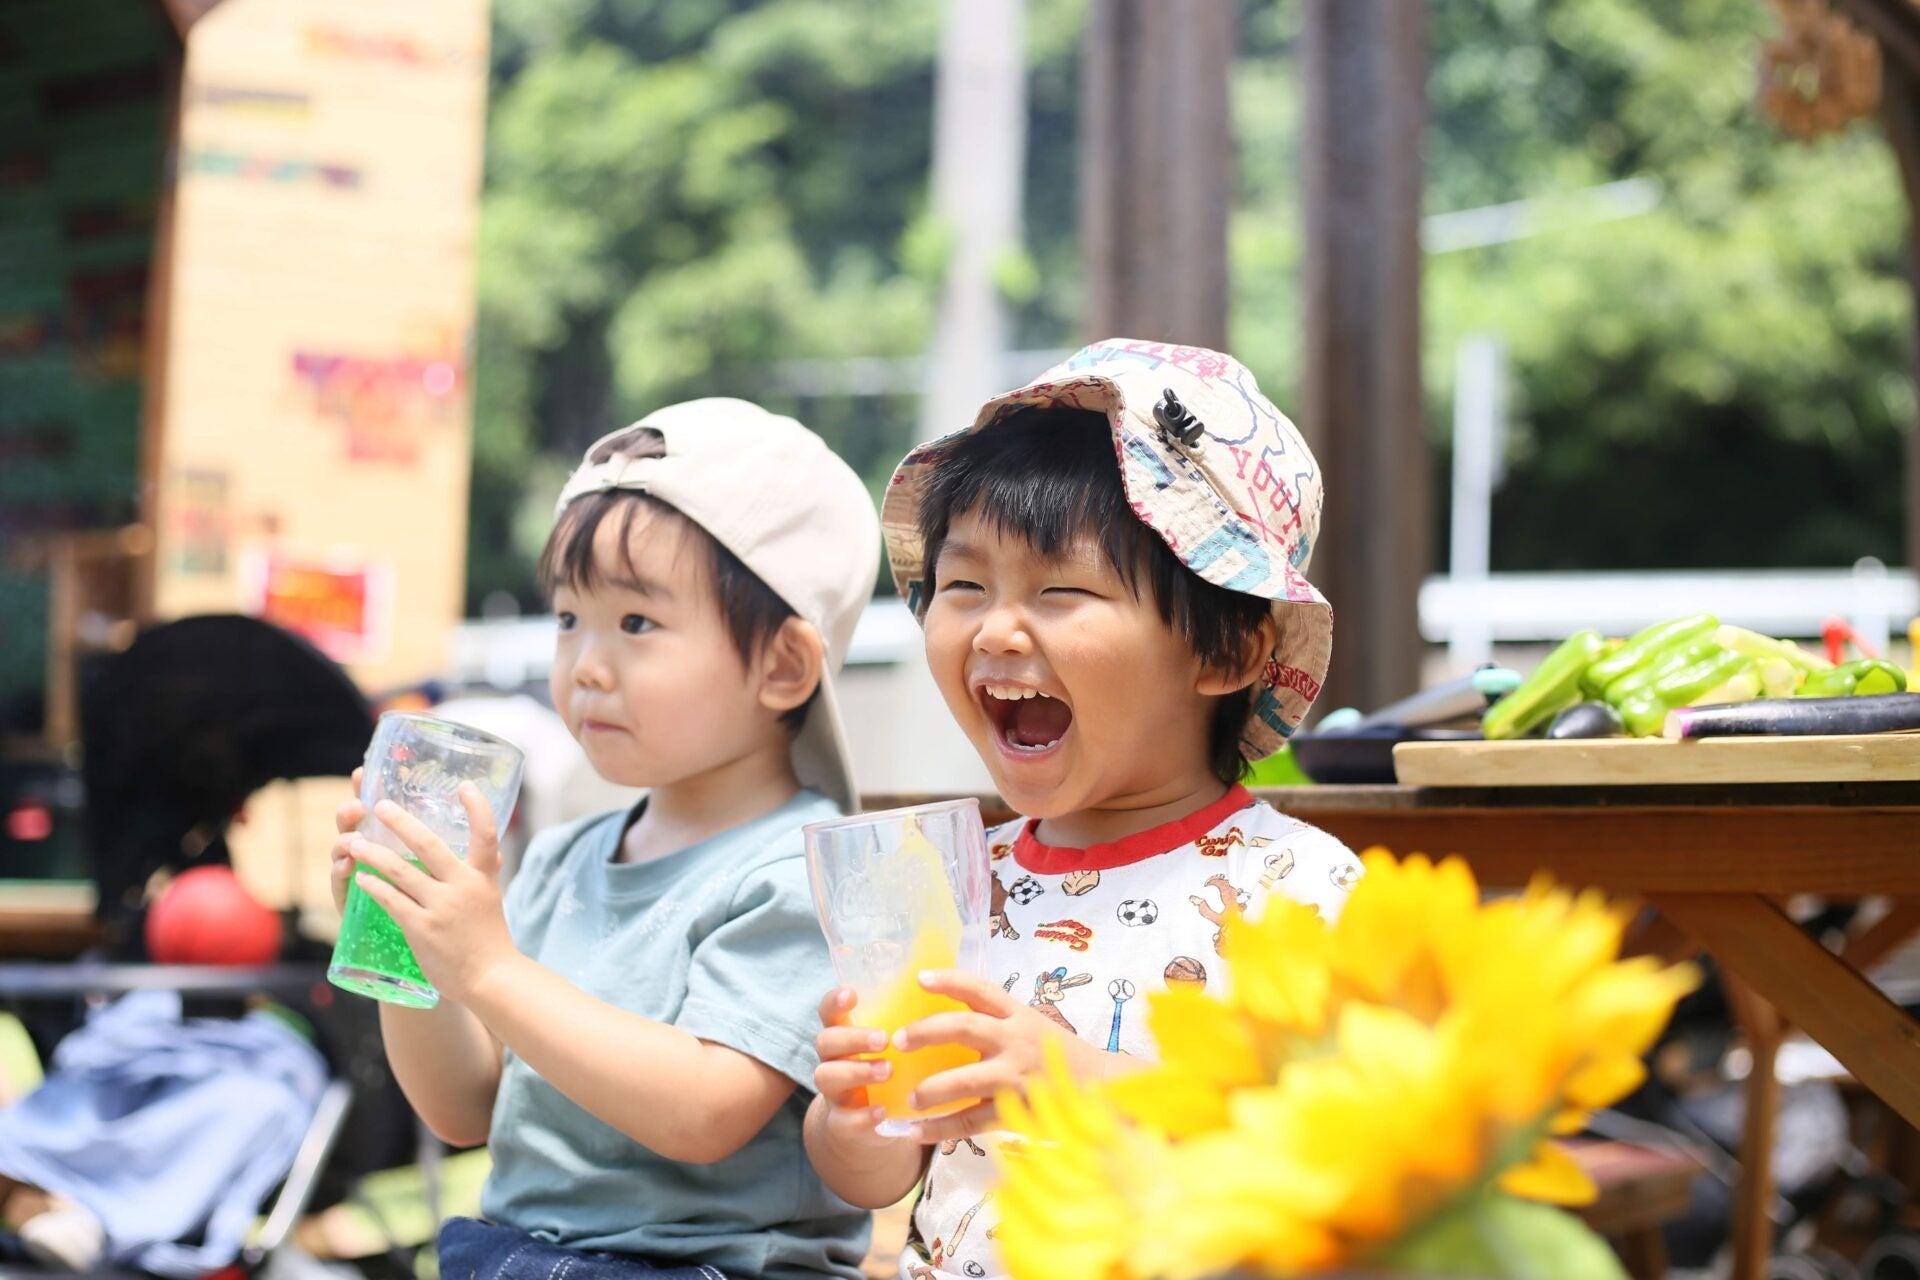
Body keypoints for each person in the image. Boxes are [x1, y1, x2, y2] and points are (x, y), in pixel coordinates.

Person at [803, 340, 1362, 1279]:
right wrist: (854, 1113)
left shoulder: (1297, 888)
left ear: (1225, 653)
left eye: (1062, 590)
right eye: (964, 585)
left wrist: (1071, 1081)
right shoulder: (950, 884)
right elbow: (876, 1179)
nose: (995, 628)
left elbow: (1337, 1150)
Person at [331, 399, 880, 1280]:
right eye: (567, 620)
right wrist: (407, 944)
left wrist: (488, 968)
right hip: (520, 1253)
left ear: (782, 666)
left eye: (635, 624)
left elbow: (704, 1110)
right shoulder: (562, 857)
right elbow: (464, 1111)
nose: (585, 664)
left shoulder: (802, 870)